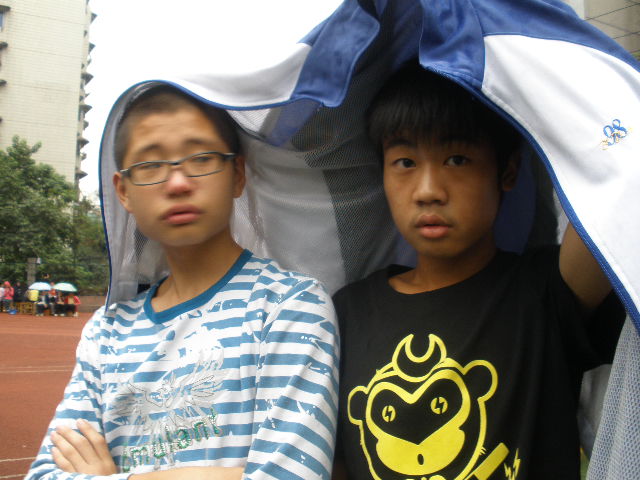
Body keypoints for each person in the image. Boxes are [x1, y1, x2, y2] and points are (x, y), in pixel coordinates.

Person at [26, 85, 339, 480]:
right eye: (150, 165)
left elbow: (293, 475)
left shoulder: (288, 306)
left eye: (201, 158)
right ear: (123, 191)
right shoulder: (106, 333)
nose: (177, 183)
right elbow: (44, 474)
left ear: (237, 174)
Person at [332, 64, 625, 480]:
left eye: (457, 159)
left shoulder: (545, 291)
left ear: (508, 171)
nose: (428, 190)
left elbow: (621, 163)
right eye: (405, 162)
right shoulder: (348, 313)